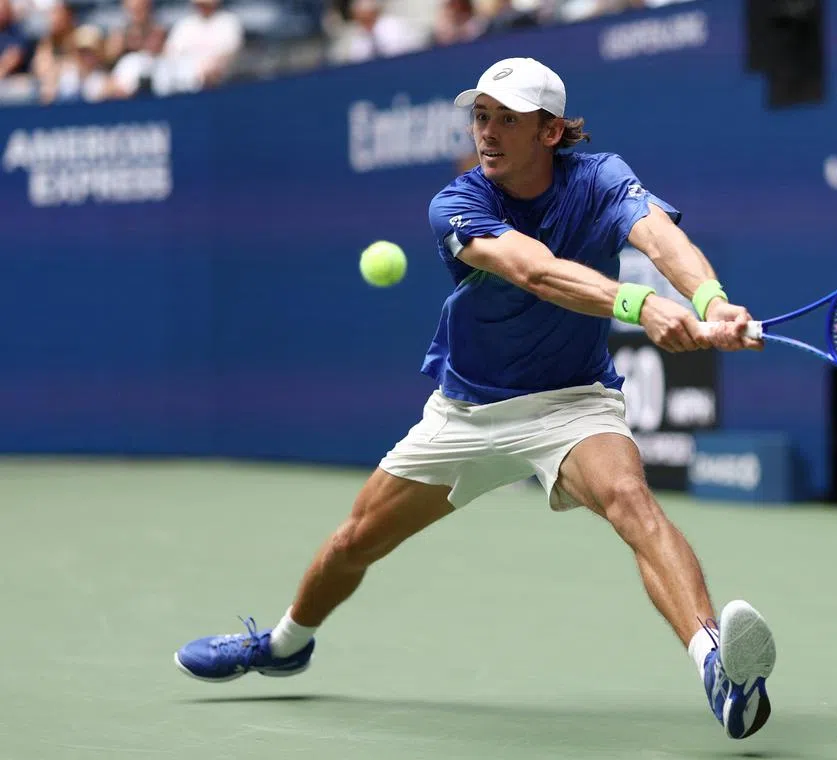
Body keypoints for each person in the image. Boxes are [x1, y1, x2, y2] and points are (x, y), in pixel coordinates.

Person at [174, 56, 778, 741]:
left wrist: (712, 301)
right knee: (354, 542)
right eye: (481, 116)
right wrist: (640, 305)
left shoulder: (603, 178)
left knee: (630, 501)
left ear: (550, 133)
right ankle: (283, 646)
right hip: (467, 411)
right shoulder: (457, 204)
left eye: (507, 120)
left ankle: (718, 669)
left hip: (570, 403)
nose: (487, 133)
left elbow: (663, 239)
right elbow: (536, 273)